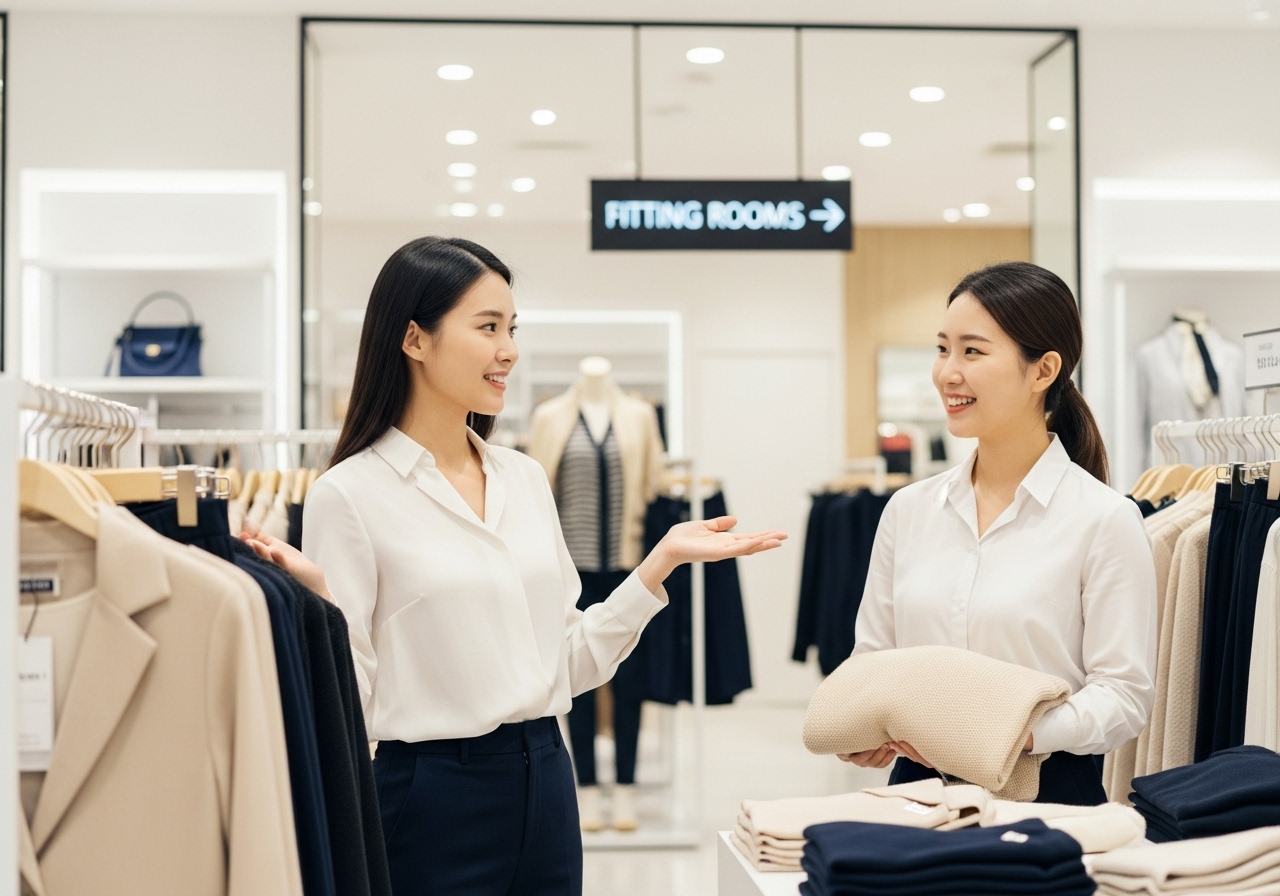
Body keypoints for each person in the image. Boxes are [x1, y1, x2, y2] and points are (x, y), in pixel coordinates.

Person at [239, 236, 785, 896]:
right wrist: (320, 606)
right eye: (488, 327)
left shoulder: (524, 478)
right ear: (415, 339)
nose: (509, 350)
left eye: (512, 328)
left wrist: (658, 564)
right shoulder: (348, 495)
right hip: (430, 801)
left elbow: (568, 662)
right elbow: (351, 708)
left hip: (550, 785)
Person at [839, 261, 1157, 806]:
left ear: (1043, 369)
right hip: (916, 796)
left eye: (973, 351)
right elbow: (872, 658)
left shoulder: (1104, 519)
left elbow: (1124, 696)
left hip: (1049, 800)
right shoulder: (908, 510)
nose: (947, 373)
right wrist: (866, 722)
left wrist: (1016, 733)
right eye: (942, 349)